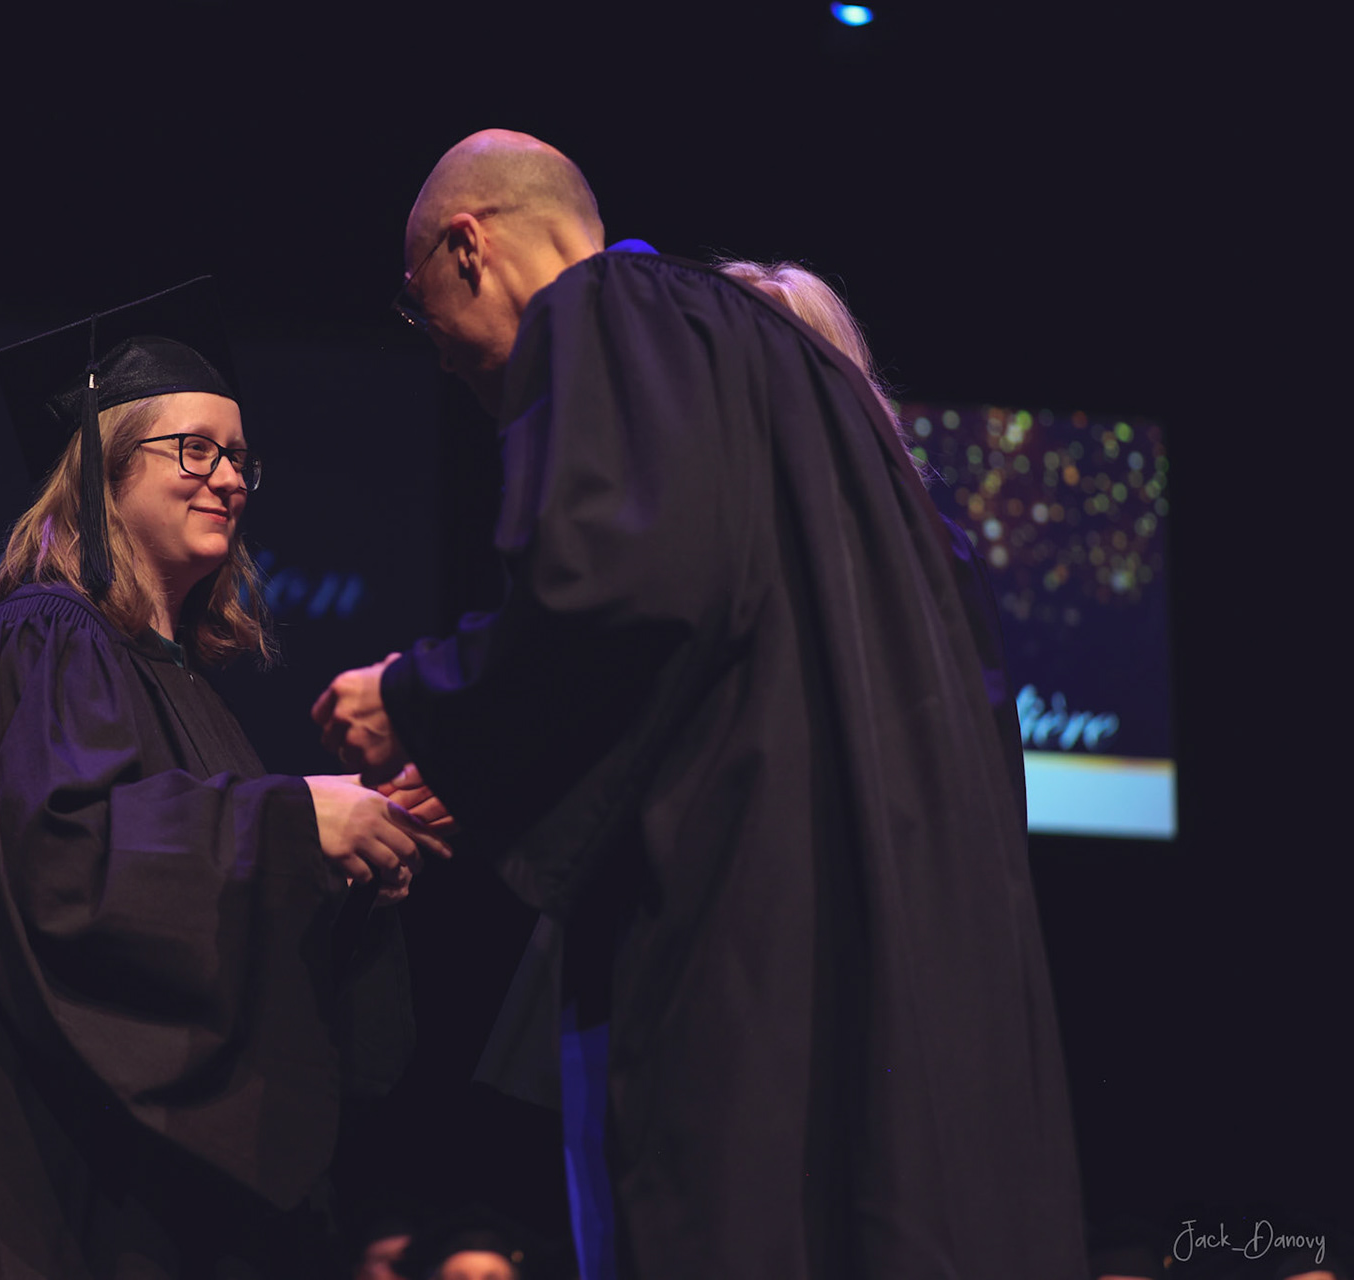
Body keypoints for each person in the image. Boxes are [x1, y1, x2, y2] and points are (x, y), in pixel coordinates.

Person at [312, 130, 1083, 1278]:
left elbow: (618, 586)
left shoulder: (602, 310)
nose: (441, 359)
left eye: (422, 312)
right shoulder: (879, 477)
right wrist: (494, 757)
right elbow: (708, 636)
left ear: (468, 248)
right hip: (926, 971)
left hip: (746, 950)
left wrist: (420, 698)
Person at [0, 276, 437, 1279]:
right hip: (46, 1189)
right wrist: (293, 823)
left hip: (161, 1210)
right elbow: (59, 862)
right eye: (194, 449)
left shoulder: (186, 687)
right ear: (103, 471)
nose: (229, 479)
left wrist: (354, 870)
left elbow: (210, 926)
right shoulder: (43, 639)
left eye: (240, 457)